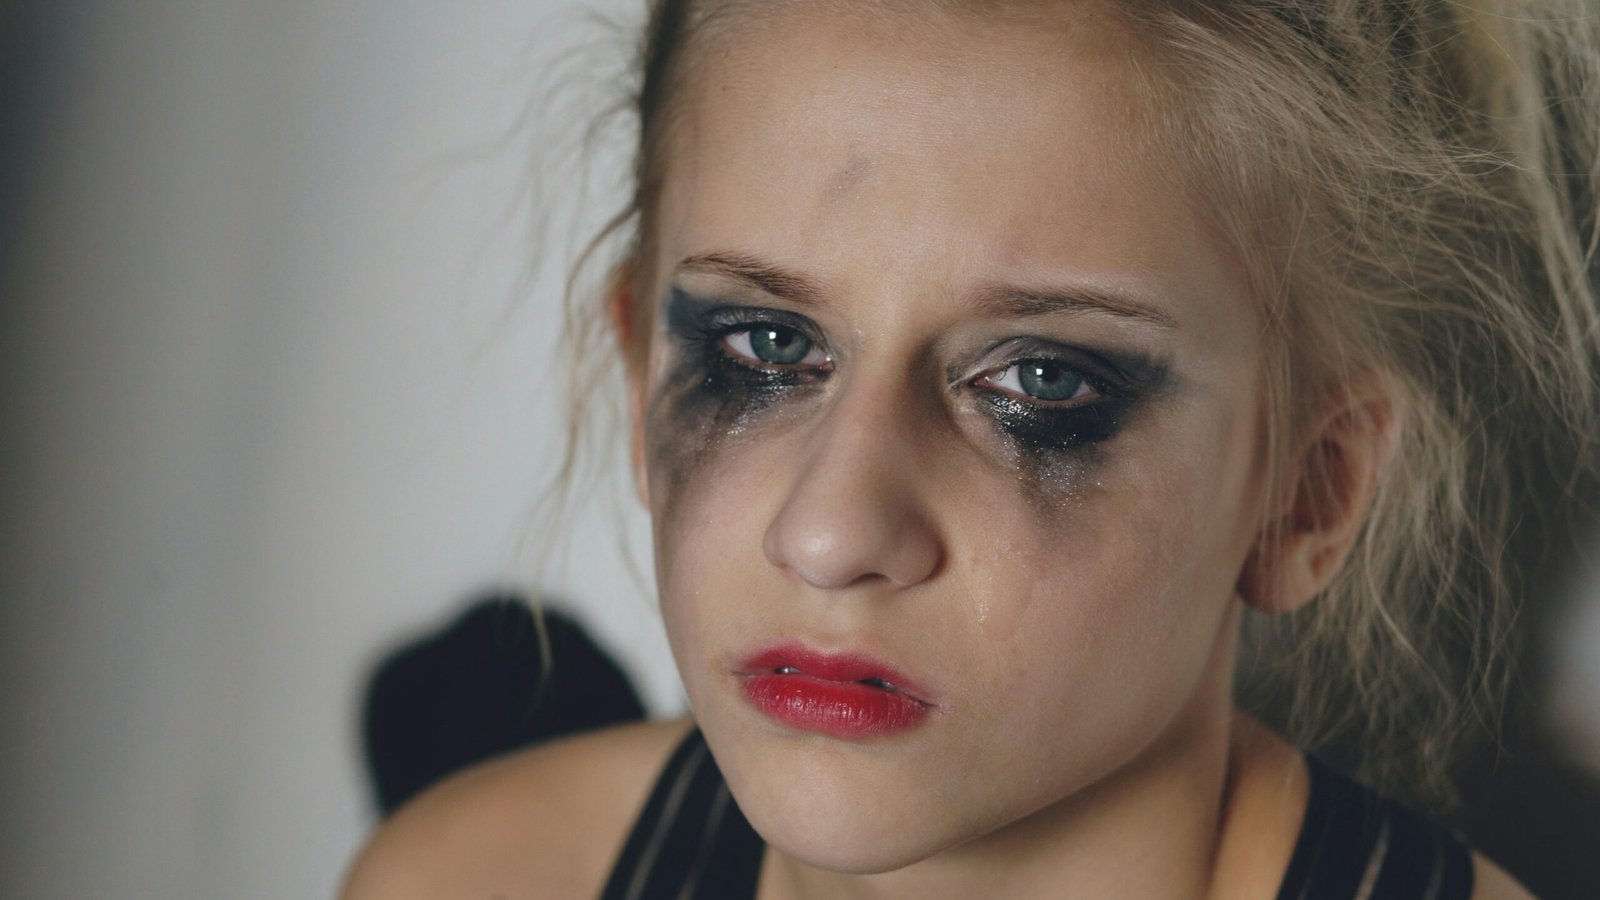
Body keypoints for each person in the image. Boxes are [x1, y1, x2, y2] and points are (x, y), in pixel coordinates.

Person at [341, 0, 1599, 897]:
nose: (831, 533)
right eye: (764, 348)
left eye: (1040, 383)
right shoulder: (475, 877)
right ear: (637, 373)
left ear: (1305, 492)